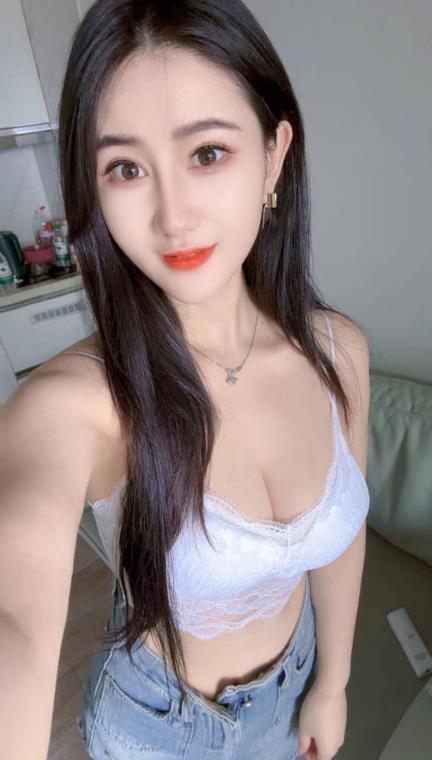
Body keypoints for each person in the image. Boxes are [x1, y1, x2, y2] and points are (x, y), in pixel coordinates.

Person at [0, 1, 371, 759]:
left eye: (206, 153)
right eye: (126, 168)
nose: (173, 217)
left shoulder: (340, 354)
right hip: (162, 730)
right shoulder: (80, 403)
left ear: (273, 156)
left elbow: (341, 541)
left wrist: (332, 680)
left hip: (298, 677)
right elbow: (14, 622)